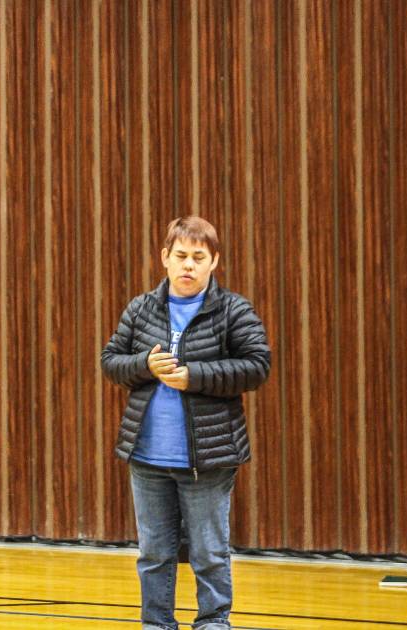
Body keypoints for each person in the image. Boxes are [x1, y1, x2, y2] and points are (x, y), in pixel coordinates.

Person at [101, 216, 270, 630]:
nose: (188, 266)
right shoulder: (140, 309)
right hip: (147, 457)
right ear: (165, 259)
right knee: (154, 552)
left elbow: (256, 366)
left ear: (214, 261)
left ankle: (213, 622)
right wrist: (144, 364)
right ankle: (156, 624)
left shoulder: (233, 309)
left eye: (198, 257)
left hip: (208, 459)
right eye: (180, 256)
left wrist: (196, 376)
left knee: (210, 552)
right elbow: (110, 362)